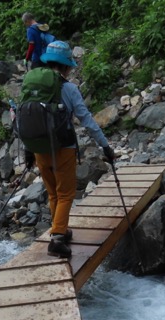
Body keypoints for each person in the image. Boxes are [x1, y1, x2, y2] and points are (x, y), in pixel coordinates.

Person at [24, 40, 115, 259]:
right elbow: (87, 120)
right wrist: (105, 145)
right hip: (63, 148)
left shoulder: (33, 86)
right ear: (66, 66)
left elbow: (23, 117)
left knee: (53, 193)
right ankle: (56, 239)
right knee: (66, 194)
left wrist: (28, 150)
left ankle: (61, 229)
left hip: (38, 147)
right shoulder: (70, 89)